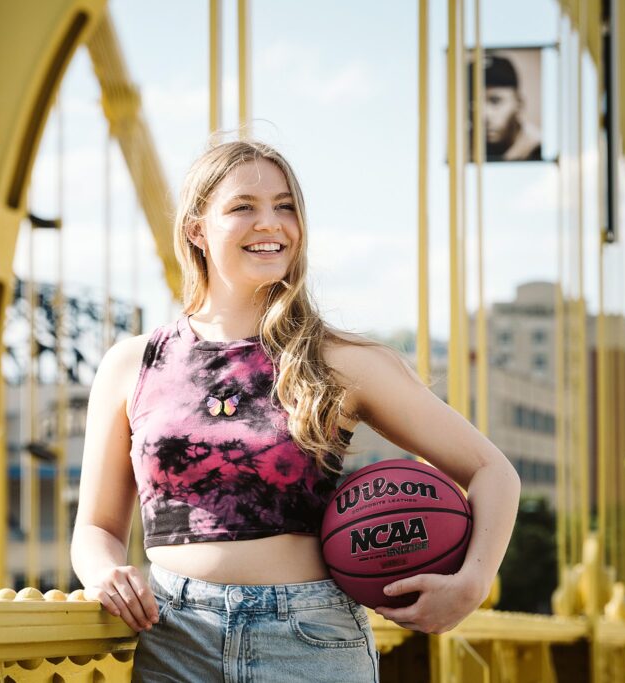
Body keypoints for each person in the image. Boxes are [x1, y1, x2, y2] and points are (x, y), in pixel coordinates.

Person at [70, 139, 521, 682]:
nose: (271, 224)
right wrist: (102, 574)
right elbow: (96, 525)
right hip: (173, 638)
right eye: (244, 208)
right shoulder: (132, 364)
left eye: (285, 207)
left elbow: (493, 472)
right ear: (196, 229)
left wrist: (472, 583)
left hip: (311, 639)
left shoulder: (340, 360)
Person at [477, 54, 543, 161]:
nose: (484, 115)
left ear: (519, 104)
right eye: (474, 103)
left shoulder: (540, 148)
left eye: (495, 101)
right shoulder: (462, 147)